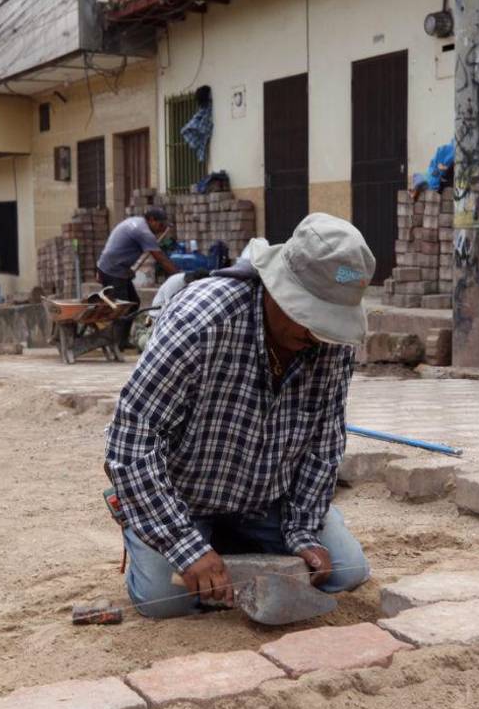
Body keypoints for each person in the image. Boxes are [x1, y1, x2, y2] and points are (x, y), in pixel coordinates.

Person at [105, 213, 375, 618]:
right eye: (308, 318)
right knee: (165, 601)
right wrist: (185, 546)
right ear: (276, 289)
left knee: (347, 570)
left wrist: (302, 530)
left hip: (267, 500)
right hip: (184, 498)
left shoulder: (330, 345)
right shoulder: (202, 321)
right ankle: (148, 520)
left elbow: (325, 444)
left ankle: (228, 543)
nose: (315, 337)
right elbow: (131, 438)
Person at [96, 207, 179, 347]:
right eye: (160, 224)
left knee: (133, 303)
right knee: (123, 307)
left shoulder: (136, 222)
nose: (162, 228)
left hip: (114, 268)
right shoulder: (143, 232)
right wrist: (180, 276)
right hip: (113, 270)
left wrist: (126, 268)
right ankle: (115, 342)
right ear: (151, 220)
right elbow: (161, 259)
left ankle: (121, 341)